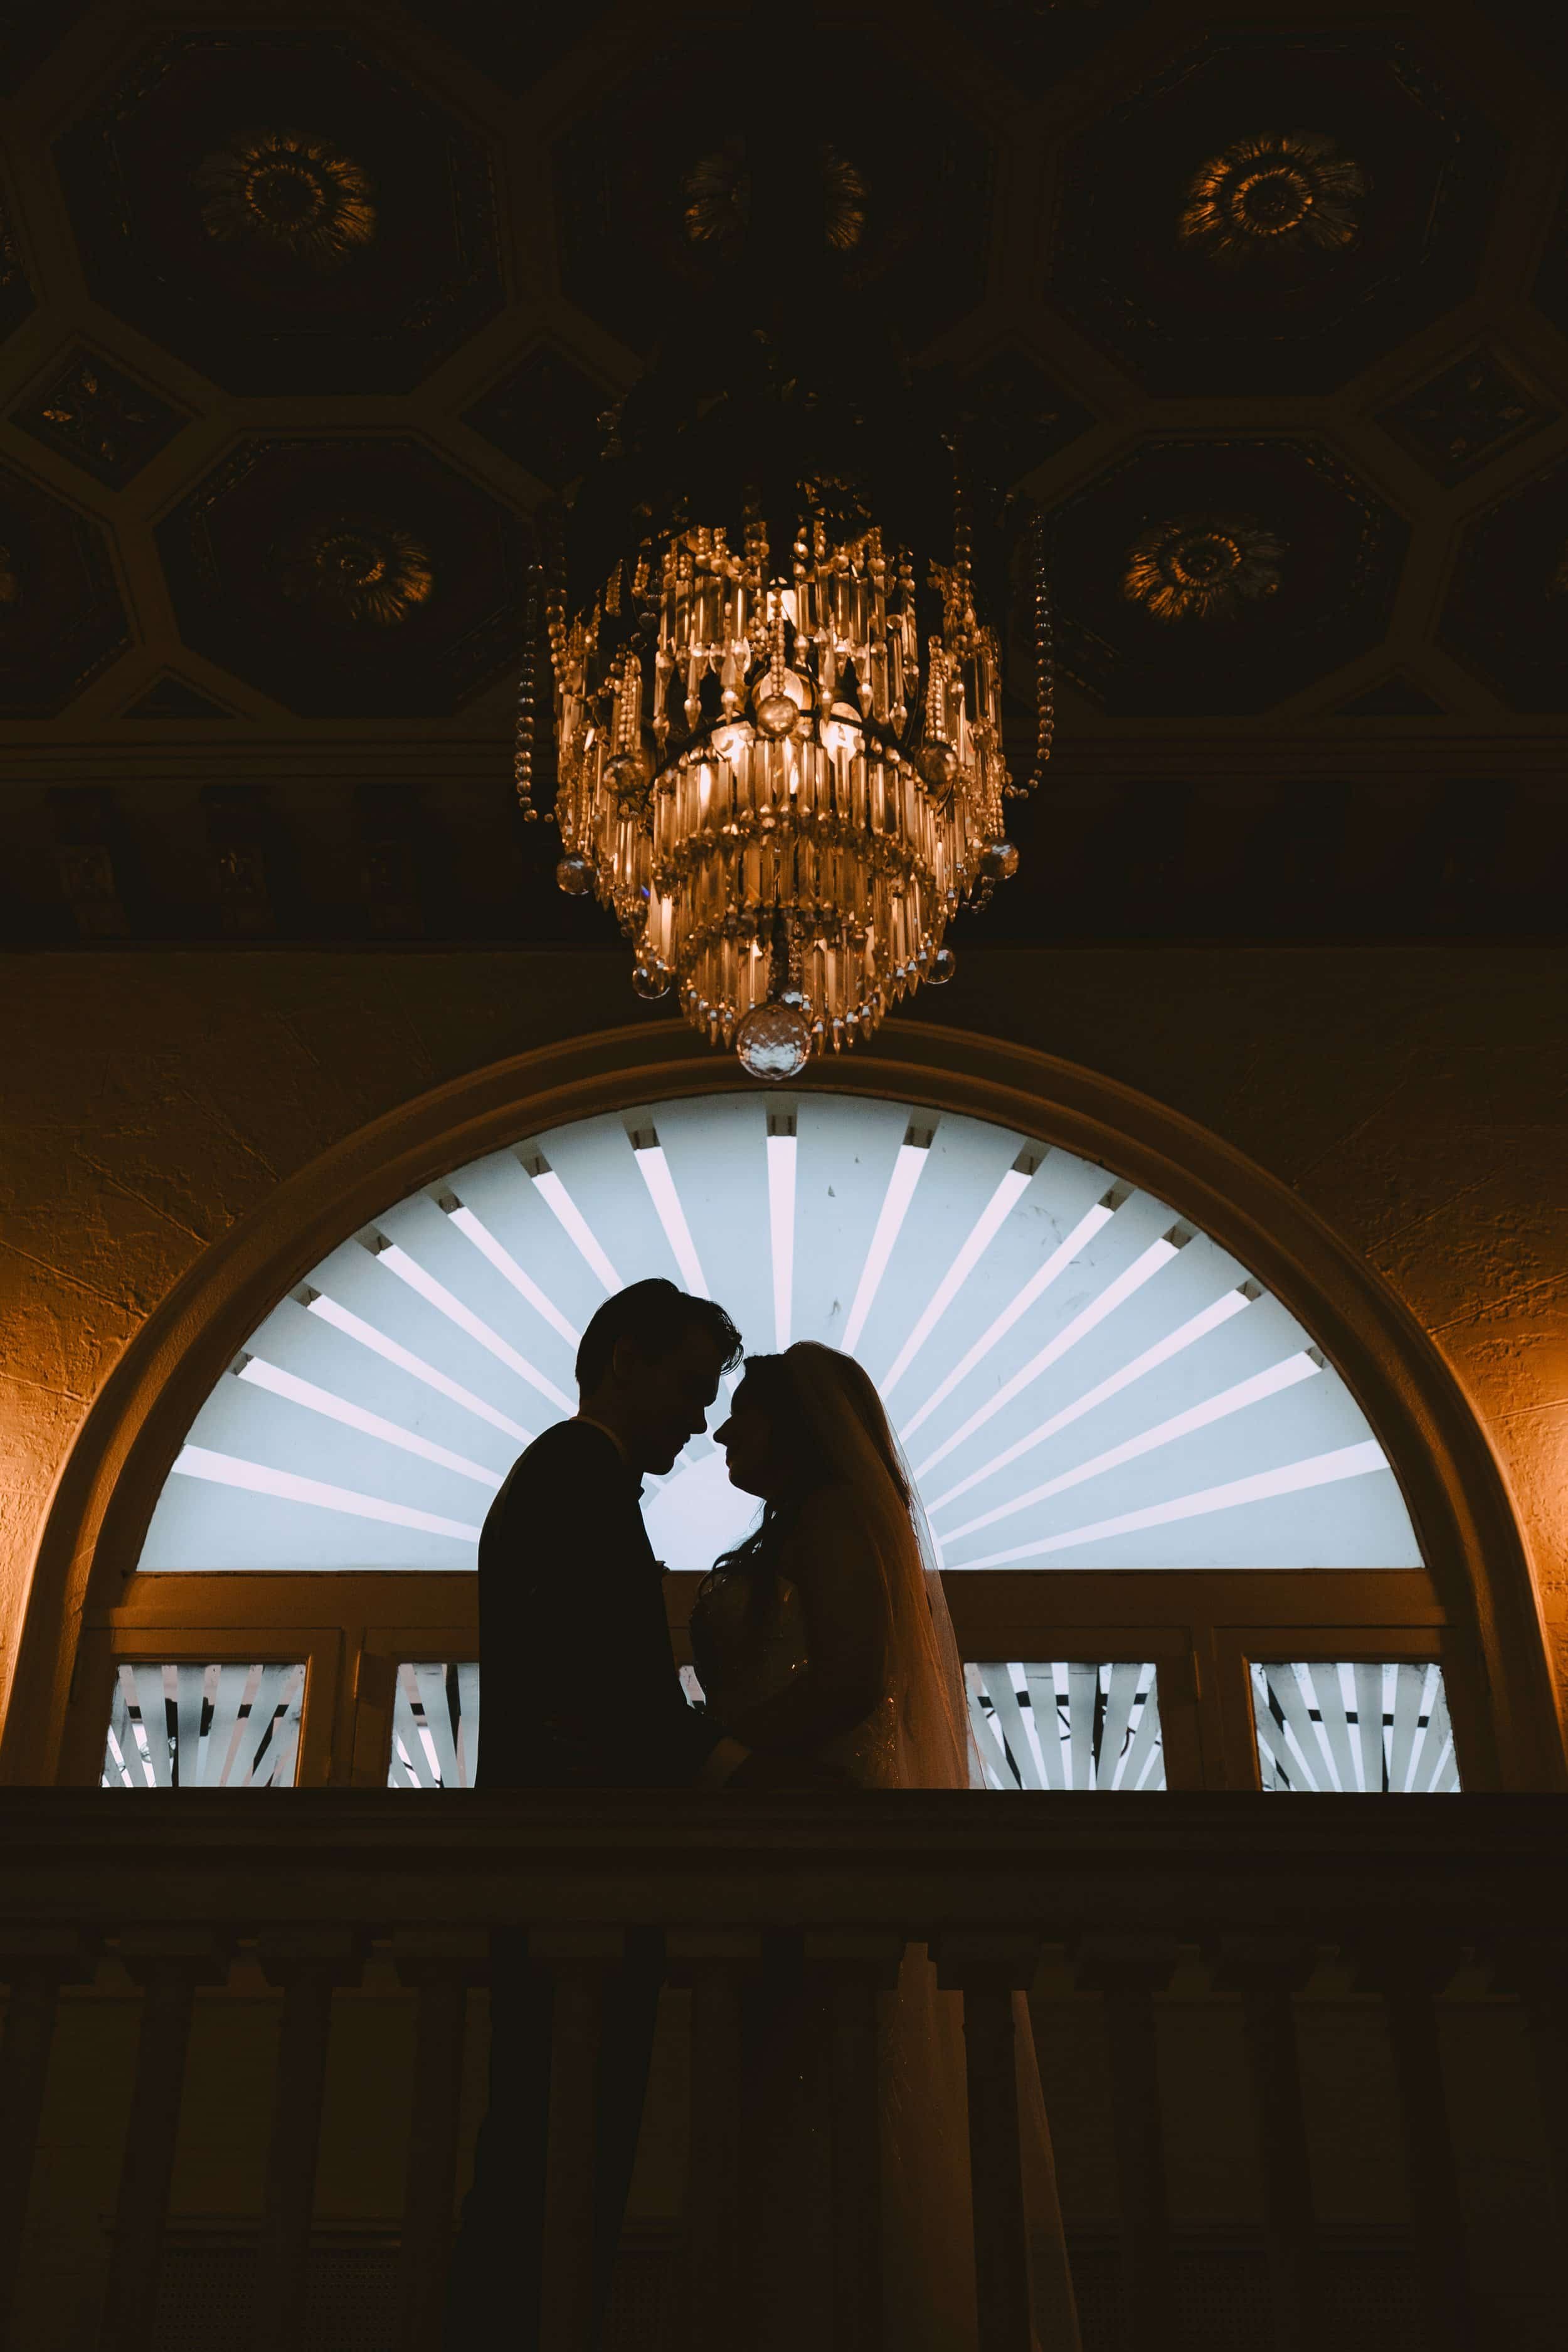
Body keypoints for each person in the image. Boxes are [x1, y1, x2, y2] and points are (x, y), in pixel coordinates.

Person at [691, 1339, 1083, 2351]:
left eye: (747, 1414)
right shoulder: (807, 1526)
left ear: (799, 1429)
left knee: (817, 2100)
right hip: (786, 1838)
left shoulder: (829, 1520)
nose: (727, 1431)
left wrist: (729, 1751)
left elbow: (855, 1677)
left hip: (817, 1837)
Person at [444, 1276, 756, 2352]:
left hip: (564, 1868)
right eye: (691, 1384)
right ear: (625, 1359)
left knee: (547, 2137)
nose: (704, 1417)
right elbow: (611, 1689)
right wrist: (735, 1771)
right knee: (561, 2142)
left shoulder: (572, 1477)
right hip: (573, 1868)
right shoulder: (577, 1477)